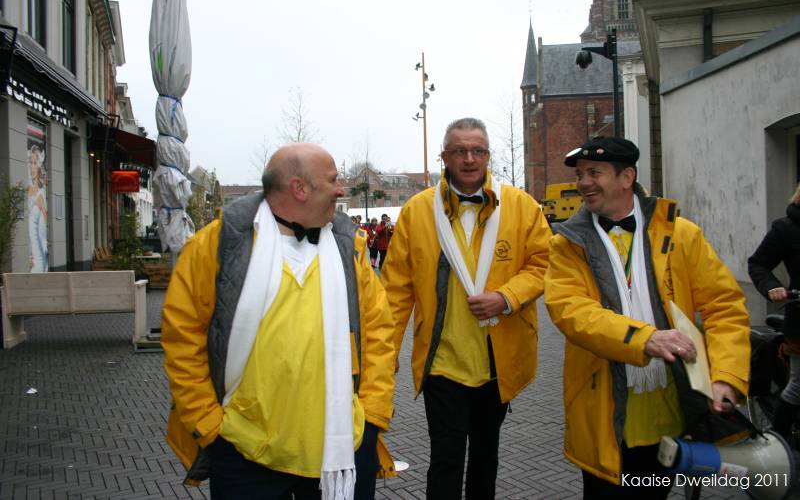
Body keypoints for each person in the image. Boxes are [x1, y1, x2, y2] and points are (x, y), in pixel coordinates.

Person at [161, 143, 396, 500]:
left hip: (342, 449)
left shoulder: (350, 248)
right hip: (244, 453)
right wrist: (209, 425)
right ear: (299, 188)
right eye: (332, 180)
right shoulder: (219, 245)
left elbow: (379, 333)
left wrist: (373, 416)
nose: (340, 189)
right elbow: (182, 338)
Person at [544, 136, 751, 499]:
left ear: (627, 177)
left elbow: (724, 307)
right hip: (604, 416)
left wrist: (726, 377)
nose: (583, 183)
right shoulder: (567, 244)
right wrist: (645, 338)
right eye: (580, 174)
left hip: (671, 414)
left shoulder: (682, 235)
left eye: (594, 172)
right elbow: (571, 311)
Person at [380, 117, 552, 499]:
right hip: (442, 363)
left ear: (488, 156)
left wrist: (506, 297)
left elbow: (544, 264)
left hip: (497, 362)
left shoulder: (522, 206)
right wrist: (384, 354)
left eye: (477, 151)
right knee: (445, 459)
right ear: (444, 157)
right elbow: (395, 291)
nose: (469, 159)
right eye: (460, 151)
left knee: (486, 459)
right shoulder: (417, 211)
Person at [748, 182, 800, 442]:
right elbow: (758, 264)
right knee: (799, 386)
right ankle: (777, 444)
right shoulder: (786, 228)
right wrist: (772, 287)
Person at [27, 144, 48, 272]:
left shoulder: (40, 195)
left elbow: (42, 232)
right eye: (31, 162)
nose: (32, 167)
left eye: (35, 163)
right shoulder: (28, 190)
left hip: (37, 254)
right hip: (31, 254)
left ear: (39, 166)